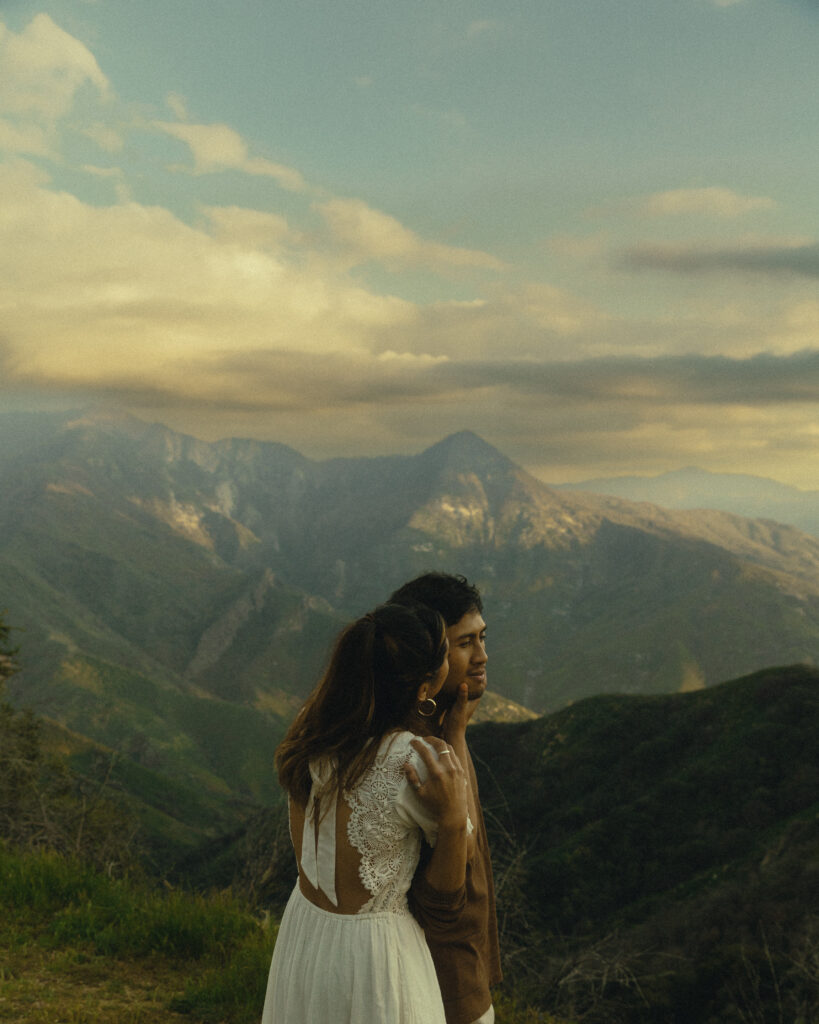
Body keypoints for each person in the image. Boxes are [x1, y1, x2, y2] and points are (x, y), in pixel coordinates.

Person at [261, 602, 472, 1024]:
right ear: (423, 689)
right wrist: (451, 820)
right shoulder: (415, 762)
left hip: (305, 929)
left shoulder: (313, 731)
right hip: (376, 957)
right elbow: (449, 895)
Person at [390, 573, 502, 1024]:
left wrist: (456, 730)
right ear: (428, 657)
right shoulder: (415, 750)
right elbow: (454, 882)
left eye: (482, 638)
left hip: (461, 970)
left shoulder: (444, 727)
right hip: (439, 979)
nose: (482, 656)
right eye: (465, 643)